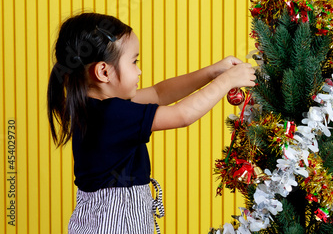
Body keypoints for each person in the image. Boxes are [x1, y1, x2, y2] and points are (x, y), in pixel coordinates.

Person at [47, 12, 256, 234]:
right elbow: (182, 115)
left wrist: (212, 72)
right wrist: (228, 81)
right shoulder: (112, 115)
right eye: (134, 61)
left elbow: (159, 92)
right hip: (117, 224)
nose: (139, 71)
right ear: (103, 71)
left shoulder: (93, 107)